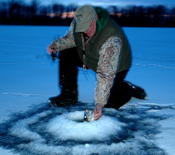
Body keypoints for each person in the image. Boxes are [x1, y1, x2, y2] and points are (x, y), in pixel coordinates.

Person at [47, 5, 147, 120]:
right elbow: (72, 38)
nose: (85, 31)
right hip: (91, 55)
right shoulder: (79, 22)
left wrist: (99, 103)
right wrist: (56, 45)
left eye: (88, 27)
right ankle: (68, 95)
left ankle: (127, 88)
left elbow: (105, 73)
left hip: (116, 66)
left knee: (109, 103)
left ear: (95, 18)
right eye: (81, 27)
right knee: (66, 52)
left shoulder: (111, 37)